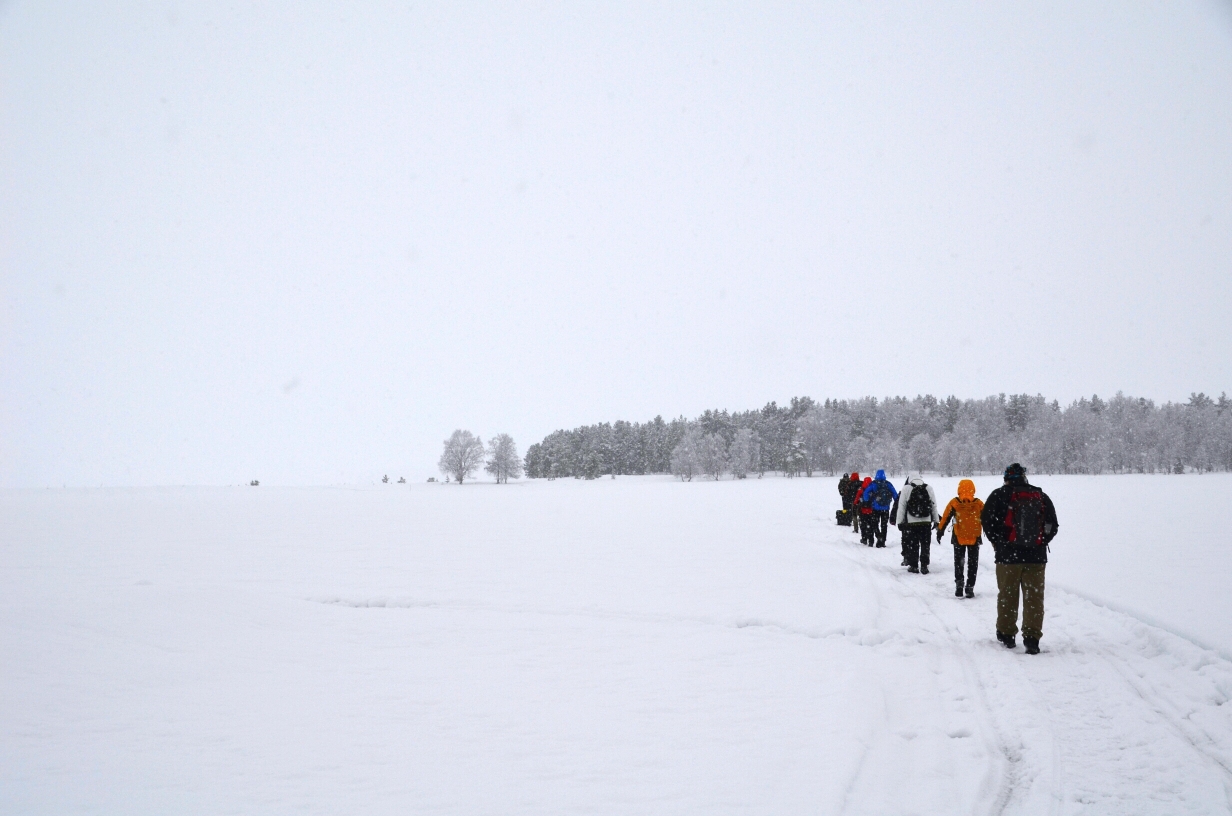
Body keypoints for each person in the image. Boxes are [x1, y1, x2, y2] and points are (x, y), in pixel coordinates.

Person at [981, 463, 1059, 655]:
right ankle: (1032, 638)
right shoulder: (1040, 496)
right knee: (1034, 598)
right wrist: (1040, 542)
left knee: (1008, 595)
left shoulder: (998, 495)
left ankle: (1007, 635)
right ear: (1025, 477)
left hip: (1008, 556)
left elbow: (986, 521)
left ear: (1006, 478)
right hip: (1036, 557)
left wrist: (997, 542)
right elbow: (1053, 525)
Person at [937, 479, 984, 598]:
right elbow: (988, 519)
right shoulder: (978, 503)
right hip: (974, 537)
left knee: (959, 562)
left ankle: (959, 585)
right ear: (973, 489)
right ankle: (970, 587)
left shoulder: (955, 502)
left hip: (958, 536)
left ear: (959, 489)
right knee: (973, 563)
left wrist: (940, 531)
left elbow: (946, 517)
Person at [895, 474, 938, 572]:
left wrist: (900, 521)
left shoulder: (906, 488)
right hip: (926, 522)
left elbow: (902, 507)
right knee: (925, 544)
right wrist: (936, 521)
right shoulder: (928, 488)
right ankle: (924, 565)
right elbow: (933, 506)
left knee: (913, 544)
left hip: (912, 522)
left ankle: (914, 566)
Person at [865, 469, 898, 548]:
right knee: (884, 525)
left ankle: (878, 535)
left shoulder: (873, 484)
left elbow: (866, 493)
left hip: (875, 508)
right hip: (886, 508)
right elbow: (895, 494)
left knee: (875, 524)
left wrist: (867, 500)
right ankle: (882, 541)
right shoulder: (888, 484)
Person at [853, 475, 874, 544]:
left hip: (862, 510)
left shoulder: (861, 490)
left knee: (863, 525)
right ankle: (871, 540)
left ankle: (864, 539)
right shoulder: (873, 489)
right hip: (871, 511)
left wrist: (856, 504)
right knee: (871, 525)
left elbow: (856, 500)